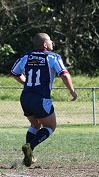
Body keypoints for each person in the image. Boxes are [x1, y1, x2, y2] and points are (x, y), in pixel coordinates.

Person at [11, 33, 77, 167]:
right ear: (45, 45)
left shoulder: (26, 56)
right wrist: (72, 91)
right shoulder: (53, 57)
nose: (53, 42)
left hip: (25, 97)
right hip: (41, 98)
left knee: (35, 125)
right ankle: (30, 146)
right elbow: (64, 74)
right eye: (50, 41)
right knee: (50, 126)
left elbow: (14, 72)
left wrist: (26, 83)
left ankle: (29, 155)